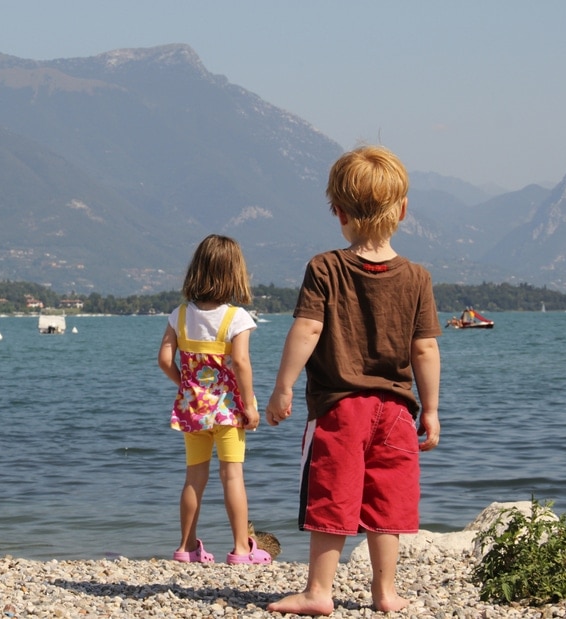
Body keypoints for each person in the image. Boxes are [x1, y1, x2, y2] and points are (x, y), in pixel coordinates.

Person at [264, 145, 441, 614]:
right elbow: (424, 348)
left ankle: (319, 592)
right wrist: (433, 409)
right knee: (389, 503)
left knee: (332, 496)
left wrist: (282, 387)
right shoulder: (417, 277)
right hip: (399, 411)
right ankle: (385, 594)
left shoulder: (325, 267)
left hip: (341, 409)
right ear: (403, 210)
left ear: (338, 212)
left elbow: (308, 328)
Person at [158, 233, 272, 565]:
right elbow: (240, 363)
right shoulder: (236, 318)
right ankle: (240, 549)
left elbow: (165, 360)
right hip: (227, 412)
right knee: (232, 475)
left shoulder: (179, 315)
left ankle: (186, 546)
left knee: (194, 477)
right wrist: (249, 404)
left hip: (193, 412)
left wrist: (187, 387)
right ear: (235, 273)